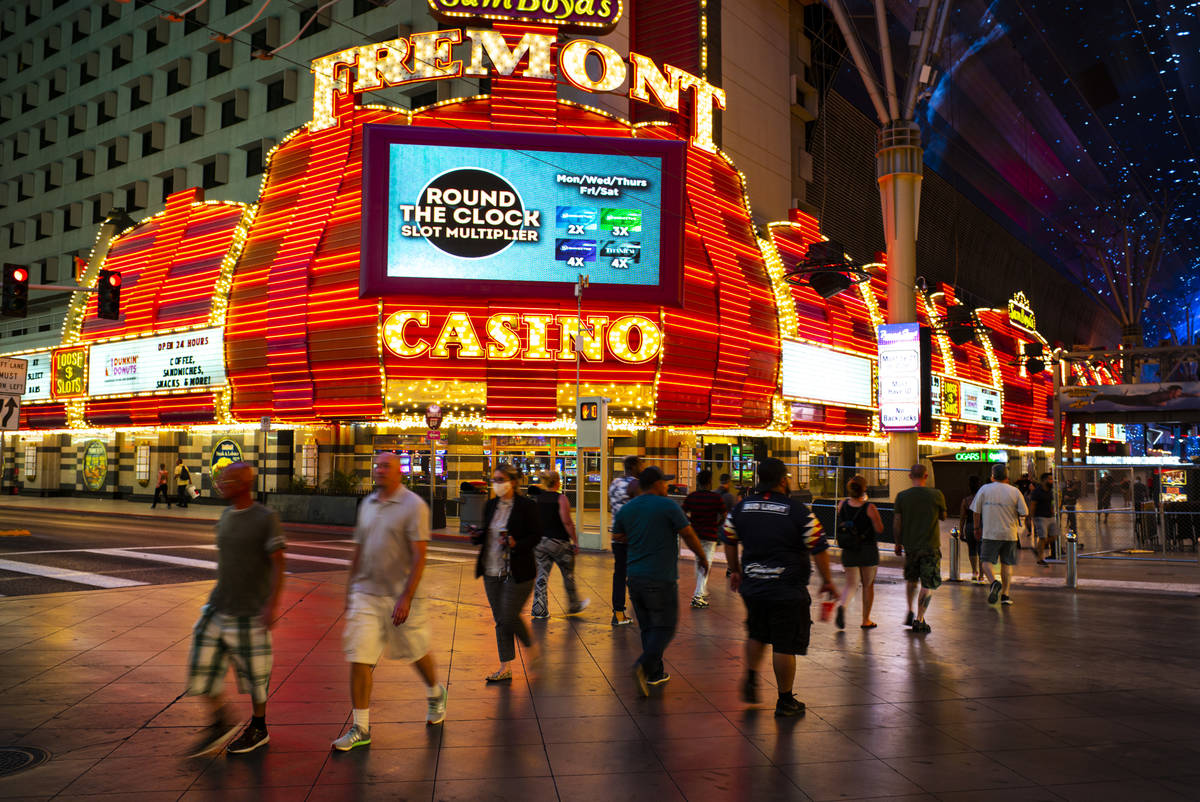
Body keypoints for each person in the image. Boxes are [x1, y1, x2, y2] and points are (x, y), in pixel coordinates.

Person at [333, 453, 446, 752]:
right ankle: (361, 727)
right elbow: (359, 548)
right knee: (359, 656)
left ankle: (435, 693)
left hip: (400, 595)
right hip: (366, 594)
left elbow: (419, 555)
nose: (379, 470)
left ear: (400, 473)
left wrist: (406, 597)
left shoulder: (414, 506)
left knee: (416, 652)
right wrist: (349, 589)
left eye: (386, 466)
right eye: (377, 466)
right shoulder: (368, 504)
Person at [185, 462, 285, 756]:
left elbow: (279, 563)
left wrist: (272, 604)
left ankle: (259, 727)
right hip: (217, 606)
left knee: (256, 676)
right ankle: (220, 720)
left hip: (250, 611)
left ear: (243, 484)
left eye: (227, 480)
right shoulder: (226, 515)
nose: (221, 484)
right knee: (201, 665)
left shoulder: (265, 518)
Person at [724, 458, 836, 717]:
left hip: (753, 586)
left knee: (757, 633)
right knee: (784, 644)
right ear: (783, 480)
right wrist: (828, 580)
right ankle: (785, 700)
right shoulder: (797, 511)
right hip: (787, 588)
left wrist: (735, 570)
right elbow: (818, 546)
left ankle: (751, 678)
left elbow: (729, 538)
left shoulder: (741, 508)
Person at [612, 466, 709, 695]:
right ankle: (643, 666)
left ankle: (655, 674)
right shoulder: (667, 506)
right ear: (656, 484)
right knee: (666, 626)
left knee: (647, 628)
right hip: (660, 577)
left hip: (635, 578)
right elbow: (687, 533)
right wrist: (702, 557)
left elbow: (617, 535)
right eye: (664, 482)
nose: (667, 486)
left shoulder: (628, 508)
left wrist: (637, 537)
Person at [472, 464, 541, 682]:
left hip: (517, 570)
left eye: (501, 479)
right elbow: (487, 533)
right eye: (495, 480)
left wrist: (515, 543)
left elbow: (536, 536)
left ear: (513, 482)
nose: (497, 484)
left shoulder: (526, 506)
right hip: (491, 568)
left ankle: (531, 647)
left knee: (508, 616)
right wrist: (478, 534)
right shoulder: (491, 505)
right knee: (501, 620)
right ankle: (505, 666)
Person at [893, 464, 946, 634]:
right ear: (926, 475)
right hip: (930, 545)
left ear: (910, 476)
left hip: (910, 546)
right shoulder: (936, 495)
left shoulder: (902, 496)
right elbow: (943, 516)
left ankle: (909, 609)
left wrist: (897, 543)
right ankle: (919, 618)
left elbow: (897, 522)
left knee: (911, 579)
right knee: (927, 582)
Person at [531, 470, 588, 620]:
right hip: (559, 543)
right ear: (557, 482)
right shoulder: (561, 498)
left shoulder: (538, 498)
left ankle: (539, 609)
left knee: (541, 576)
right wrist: (575, 541)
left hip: (540, 542)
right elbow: (567, 522)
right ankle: (574, 604)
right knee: (568, 573)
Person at [971, 462, 1028, 606]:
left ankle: (994, 582)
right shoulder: (1015, 491)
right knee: (1006, 564)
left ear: (992, 476)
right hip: (1010, 534)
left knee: (985, 561)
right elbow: (1024, 512)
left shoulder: (984, 489)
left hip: (990, 533)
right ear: (1007, 478)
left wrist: (977, 528)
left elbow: (976, 511)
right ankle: (1005, 595)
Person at [833, 473, 882, 629]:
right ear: (864, 489)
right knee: (868, 585)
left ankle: (842, 606)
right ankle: (865, 619)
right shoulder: (870, 508)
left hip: (849, 550)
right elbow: (879, 528)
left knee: (851, 584)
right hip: (867, 550)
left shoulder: (842, 505)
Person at [682, 469, 727, 608]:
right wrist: (717, 524)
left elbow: (682, 512)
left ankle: (701, 588)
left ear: (698, 482)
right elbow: (724, 515)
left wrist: (690, 521)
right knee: (706, 563)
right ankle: (698, 595)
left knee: (698, 561)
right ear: (709, 482)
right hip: (710, 535)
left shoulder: (692, 497)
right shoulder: (716, 498)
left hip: (695, 535)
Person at [608, 455, 643, 626]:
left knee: (620, 574)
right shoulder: (636, 485)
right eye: (641, 464)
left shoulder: (614, 483)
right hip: (633, 537)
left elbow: (612, 506)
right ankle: (640, 608)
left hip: (617, 536)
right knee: (637, 573)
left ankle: (619, 612)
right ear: (634, 466)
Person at [1028, 472, 1057, 566]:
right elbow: (1033, 505)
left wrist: (1053, 510)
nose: (1051, 481)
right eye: (1050, 479)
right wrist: (1031, 517)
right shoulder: (1037, 492)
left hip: (1050, 516)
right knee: (1042, 537)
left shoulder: (1051, 491)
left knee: (1055, 536)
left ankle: (1037, 549)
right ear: (1044, 480)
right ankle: (1040, 558)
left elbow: (1052, 502)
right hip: (1040, 517)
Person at [959, 475, 984, 582]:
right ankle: (982, 575)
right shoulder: (984, 499)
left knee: (972, 550)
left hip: (969, 526)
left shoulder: (966, 500)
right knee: (982, 551)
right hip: (982, 526)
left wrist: (961, 530)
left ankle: (974, 572)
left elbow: (962, 517)